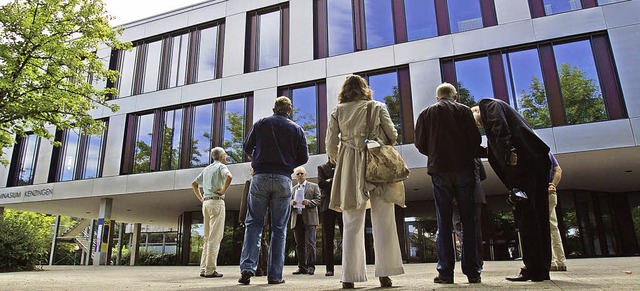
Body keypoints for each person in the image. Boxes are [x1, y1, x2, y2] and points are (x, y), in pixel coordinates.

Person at [326, 74, 404, 289]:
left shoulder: (337, 111)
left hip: (349, 163)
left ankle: (349, 276)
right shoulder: (377, 106)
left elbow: (331, 145)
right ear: (364, 89)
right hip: (375, 161)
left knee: (351, 220)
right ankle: (385, 274)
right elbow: (393, 135)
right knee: (384, 218)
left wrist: (341, 154)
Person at [471, 99, 552, 282]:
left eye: (476, 121)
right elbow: (492, 149)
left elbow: (500, 128)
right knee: (538, 217)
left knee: (527, 217)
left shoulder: (488, 105)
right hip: (535, 163)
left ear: (476, 111)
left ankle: (532, 268)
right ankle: (540, 268)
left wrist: (509, 151)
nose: (479, 125)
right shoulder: (502, 115)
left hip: (526, 167)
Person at [414, 82, 482, 284]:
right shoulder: (464, 112)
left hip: (440, 170)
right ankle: (473, 272)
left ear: (437, 98)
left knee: (443, 221)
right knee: (468, 221)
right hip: (464, 169)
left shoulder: (426, 114)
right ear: (455, 96)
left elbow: (420, 144)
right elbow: (475, 141)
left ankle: (445, 272)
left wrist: (435, 153)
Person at [239, 96, 309, 285]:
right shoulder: (296, 129)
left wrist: (257, 158)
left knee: (253, 223)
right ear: (289, 110)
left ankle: (247, 268)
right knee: (279, 228)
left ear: (273, 108)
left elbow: (246, 147)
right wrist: (286, 165)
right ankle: (275, 276)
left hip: (260, 176)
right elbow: (304, 157)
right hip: (283, 179)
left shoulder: (261, 123)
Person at [191, 147, 233, 278]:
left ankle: (203, 269)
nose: (226, 158)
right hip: (216, 202)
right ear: (221, 157)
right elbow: (229, 176)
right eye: (225, 155)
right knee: (215, 237)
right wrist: (223, 190)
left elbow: (194, 184)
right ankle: (210, 270)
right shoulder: (220, 166)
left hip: (206, 203)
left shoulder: (207, 169)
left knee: (207, 237)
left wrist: (201, 198)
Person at [452, 158, 487, 266]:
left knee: (460, 228)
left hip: (458, 197)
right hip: (476, 195)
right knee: (475, 229)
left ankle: (470, 260)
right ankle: (478, 260)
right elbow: (483, 175)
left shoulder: (451, 153)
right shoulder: (475, 155)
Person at [290, 166, 321, 275]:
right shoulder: (293, 189)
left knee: (310, 243)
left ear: (305, 175)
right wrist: (291, 203)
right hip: (296, 218)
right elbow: (287, 204)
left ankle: (311, 266)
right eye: (297, 174)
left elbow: (319, 200)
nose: (299, 176)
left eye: (301, 173)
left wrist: (309, 202)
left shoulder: (313, 186)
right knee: (299, 245)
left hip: (309, 218)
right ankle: (301, 267)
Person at [239, 168, 269, 277]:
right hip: (250, 216)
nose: (253, 171)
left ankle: (264, 268)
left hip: (263, 216)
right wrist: (242, 217)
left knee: (263, 242)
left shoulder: (266, 181)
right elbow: (244, 200)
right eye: (251, 169)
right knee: (253, 240)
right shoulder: (249, 182)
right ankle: (254, 268)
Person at [317, 159, 343, 277]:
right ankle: (329, 268)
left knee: (346, 235)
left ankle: (347, 266)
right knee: (328, 238)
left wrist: (330, 181)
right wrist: (335, 180)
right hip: (326, 206)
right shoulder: (321, 168)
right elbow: (321, 184)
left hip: (341, 204)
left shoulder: (343, 165)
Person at [548, 152, 566, 272]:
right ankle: (561, 261)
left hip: (539, 191)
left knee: (543, 227)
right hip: (550, 192)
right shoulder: (548, 153)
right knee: (553, 226)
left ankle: (551, 261)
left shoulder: (533, 151)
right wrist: (553, 185)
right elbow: (558, 169)